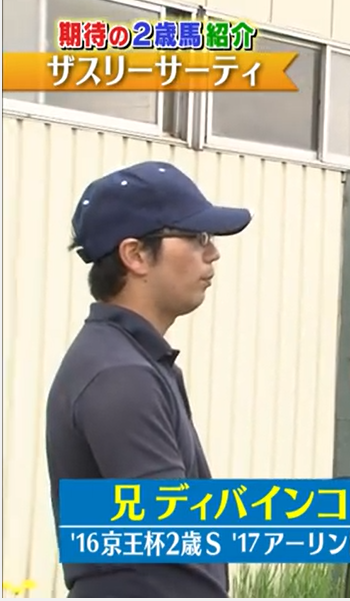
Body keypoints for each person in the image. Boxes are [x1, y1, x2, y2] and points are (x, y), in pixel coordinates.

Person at [45, 160, 252, 597]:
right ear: (136, 255)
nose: (212, 253)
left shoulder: (131, 359)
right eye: (197, 238)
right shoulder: (120, 374)